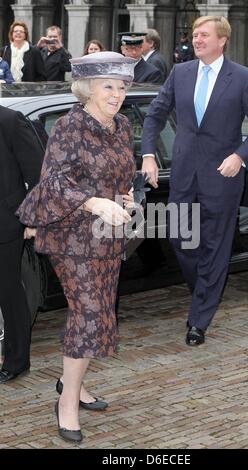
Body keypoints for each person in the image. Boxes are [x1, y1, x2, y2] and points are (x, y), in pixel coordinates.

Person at [16, 51, 136, 443]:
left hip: (107, 233)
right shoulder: (70, 126)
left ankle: (74, 382)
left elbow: (122, 173)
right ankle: (67, 402)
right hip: (71, 235)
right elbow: (53, 182)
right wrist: (94, 202)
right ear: (87, 89)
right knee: (88, 314)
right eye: (108, 86)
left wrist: (125, 196)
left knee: (96, 313)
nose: (117, 94)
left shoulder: (122, 125)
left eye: (121, 87)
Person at [141, 16, 248, 347]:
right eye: (194, 35)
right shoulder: (180, 73)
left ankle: (199, 320)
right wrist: (147, 155)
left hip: (223, 177)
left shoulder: (242, 78)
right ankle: (204, 290)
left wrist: (240, 156)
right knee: (178, 236)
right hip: (185, 172)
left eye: (204, 35)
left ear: (222, 40)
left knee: (216, 247)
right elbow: (155, 115)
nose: (196, 39)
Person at [0, 106, 43, 384]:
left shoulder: (10, 120)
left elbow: (38, 174)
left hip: (5, 222)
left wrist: (32, 219)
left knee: (7, 289)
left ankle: (16, 361)